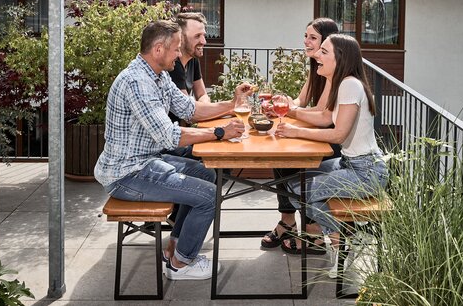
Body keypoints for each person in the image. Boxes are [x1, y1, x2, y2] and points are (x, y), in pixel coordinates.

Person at [94, 19, 250, 281]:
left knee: (206, 173)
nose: (180, 55)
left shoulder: (158, 75)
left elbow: (190, 109)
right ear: (158, 49)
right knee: (209, 196)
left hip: (146, 161)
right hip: (127, 174)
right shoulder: (137, 83)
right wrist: (219, 133)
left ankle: (175, 247)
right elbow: (170, 135)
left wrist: (232, 104)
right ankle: (181, 265)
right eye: (176, 49)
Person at [275, 34, 388, 276]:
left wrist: (294, 132)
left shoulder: (349, 85)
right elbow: (326, 118)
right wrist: (293, 112)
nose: (316, 55)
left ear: (341, 58)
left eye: (323, 51)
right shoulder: (343, 83)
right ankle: (342, 239)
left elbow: (337, 135)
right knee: (292, 186)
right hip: (350, 163)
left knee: (300, 190)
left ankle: (339, 244)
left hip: (366, 172)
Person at [260, 17, 339, 250]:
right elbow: (302, 101)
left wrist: (291, 112)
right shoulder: (316, 66)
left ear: (328, 42)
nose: (306, 41)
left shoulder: (333, 70)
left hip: (330, 141)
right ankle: (288, 222)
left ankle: (313, 233)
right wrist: (284, 104)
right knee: (279, 151)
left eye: (313, 37)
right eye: (305, 36)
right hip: (315, 130)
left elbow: (322, 114)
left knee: (291, 160)